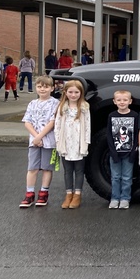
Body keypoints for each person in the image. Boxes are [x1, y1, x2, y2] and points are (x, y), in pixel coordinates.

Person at [19, 75, 59, 208]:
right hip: (34, 142)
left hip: (49, 141)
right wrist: (36, 137)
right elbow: (27, 122)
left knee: (47, 168)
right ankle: (29, 193)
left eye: (46, 87)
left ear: (52, 88)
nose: (43, 89)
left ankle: (44, 192)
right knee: (32, 168)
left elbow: (52, 122)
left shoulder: (55, 103)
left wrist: (40, 136)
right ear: (36, 88)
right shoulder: (32, 103)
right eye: (40, 87)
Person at [54, 79, 91, 209]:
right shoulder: (62, 107)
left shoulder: (84, 107)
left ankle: (77, 194)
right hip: (66, 142)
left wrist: (86, 143)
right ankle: (68, 194)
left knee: (79, 170)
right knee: (68, 170)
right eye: (70, 92)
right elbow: (57, 125)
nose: (73, 95)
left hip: (79, 143)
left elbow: (87, 127)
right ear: (65, 92)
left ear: (81, 93)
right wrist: (58, 141)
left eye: (76, 92)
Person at [107, 90, 138, 209]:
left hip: (129, 152)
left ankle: (125, 198)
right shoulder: (112, 116)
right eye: (119, 100)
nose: (122, 102)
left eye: (125, 100)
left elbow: (136, 135)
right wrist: (112, 151)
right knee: (115, 177)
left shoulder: (135, 115)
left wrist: (134, 151)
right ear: (114, 101)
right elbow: (109, 134)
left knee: (127, 177)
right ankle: (115, 198)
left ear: (130, 101)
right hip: (115, 153)